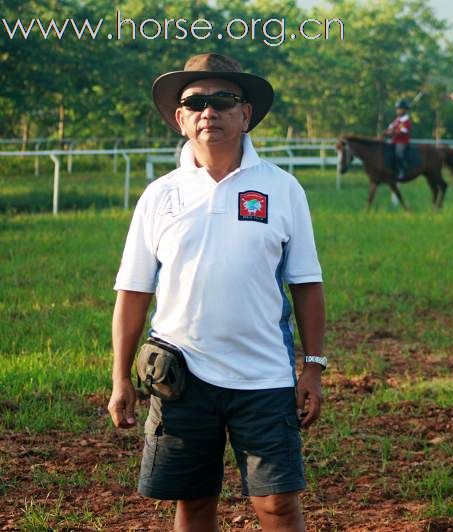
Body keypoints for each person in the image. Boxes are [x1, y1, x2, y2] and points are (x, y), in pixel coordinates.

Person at [107, 52, 326, 531]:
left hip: (264, 378)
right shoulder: (159, 195)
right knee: (194, 504)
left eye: (223, 100)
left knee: (278, 507)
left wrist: (313, 368)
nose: (210, 111)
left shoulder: (283, 189)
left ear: (245, 113)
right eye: (196, 102)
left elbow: (307, 284)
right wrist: (120, 377)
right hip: (181, 377)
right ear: (180, 118)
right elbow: (133, 293)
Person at [384, 99, 412, 181]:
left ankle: (402, 170)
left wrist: (393, 131)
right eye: (397, 109)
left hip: (402, 142)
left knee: (398, 153)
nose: (398, 110)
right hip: (393, 141)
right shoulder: (396, 121)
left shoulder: (406, 121)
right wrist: (386, 132)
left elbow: (403, 131)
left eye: (400, 109)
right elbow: (390, 129)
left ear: (405, 110)